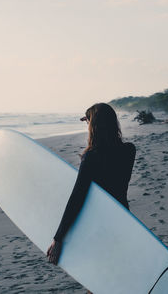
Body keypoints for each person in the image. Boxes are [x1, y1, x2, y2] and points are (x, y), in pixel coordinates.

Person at [46, 103, 136, 293]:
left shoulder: (91, 157)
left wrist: (58, 238)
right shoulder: (129, 151)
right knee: (113, 276)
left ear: (93, 126)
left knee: (98, 281)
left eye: (88, 122)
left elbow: (77, 197)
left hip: (99, 225)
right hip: (123, 221)